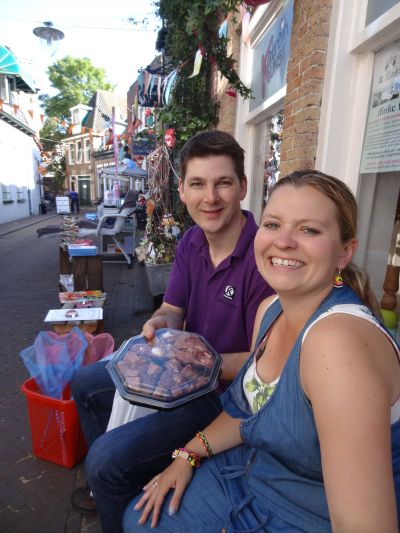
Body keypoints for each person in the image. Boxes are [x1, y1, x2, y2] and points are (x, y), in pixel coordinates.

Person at [124, 170, 400, 532]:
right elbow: (249, 412)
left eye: (309, 230)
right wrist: (188, 453)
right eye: (273, 224)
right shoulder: (271, 310)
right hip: (252, 474)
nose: (283, 241)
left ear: (344, 252)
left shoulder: (337, 345)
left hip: (305, 514)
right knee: (138, 519)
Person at [70, 130, 273, 531]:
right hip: (180, 376)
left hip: (225, 400)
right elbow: (171, 310)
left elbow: (265, 364)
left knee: (106, 461)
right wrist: (158, 326)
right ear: (182, 191)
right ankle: (119, 485)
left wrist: (200, 363)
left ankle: (114, 486)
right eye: (197, 184)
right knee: (86, 384)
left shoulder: (263, 257)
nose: (210, 198)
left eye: (223, 183)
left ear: (243, 187)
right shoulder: (191, 241)